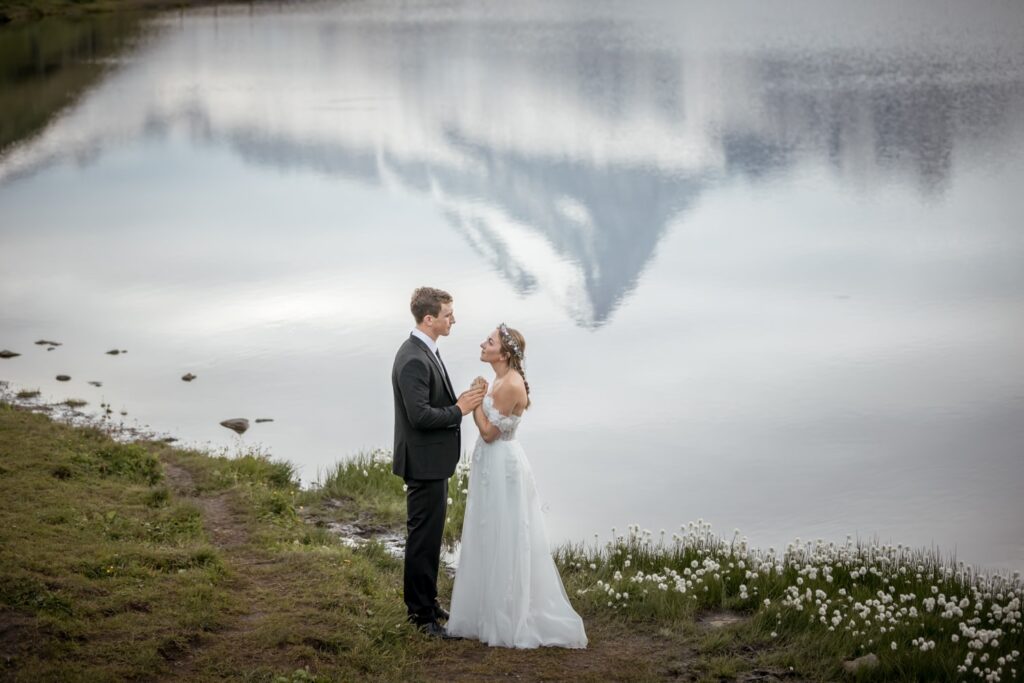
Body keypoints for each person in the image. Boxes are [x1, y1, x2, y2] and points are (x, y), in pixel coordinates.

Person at [446, 323, 588, 648]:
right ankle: (484, 611)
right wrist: (479, 396)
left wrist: (473, 405)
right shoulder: (497, 378)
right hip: (490, 464)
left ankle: (506, 615)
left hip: (502, 464)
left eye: (490, 341)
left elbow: (488, 433)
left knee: (505, 532)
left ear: (505, 353)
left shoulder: (510, 384)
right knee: (487, 529)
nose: (483, 343)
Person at [392, 287, 486, 639]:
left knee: (430, 539)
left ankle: (429, 603)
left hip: (432, 462)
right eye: (448, 314)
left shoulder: (424, 350)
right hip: (424, 463)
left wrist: (458, 401)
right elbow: (419, 416)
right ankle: (420, 616)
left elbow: (428, 404)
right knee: (422, 540)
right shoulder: (414, 358)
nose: (453, 320)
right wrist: (459, 410)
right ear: (429, 319)